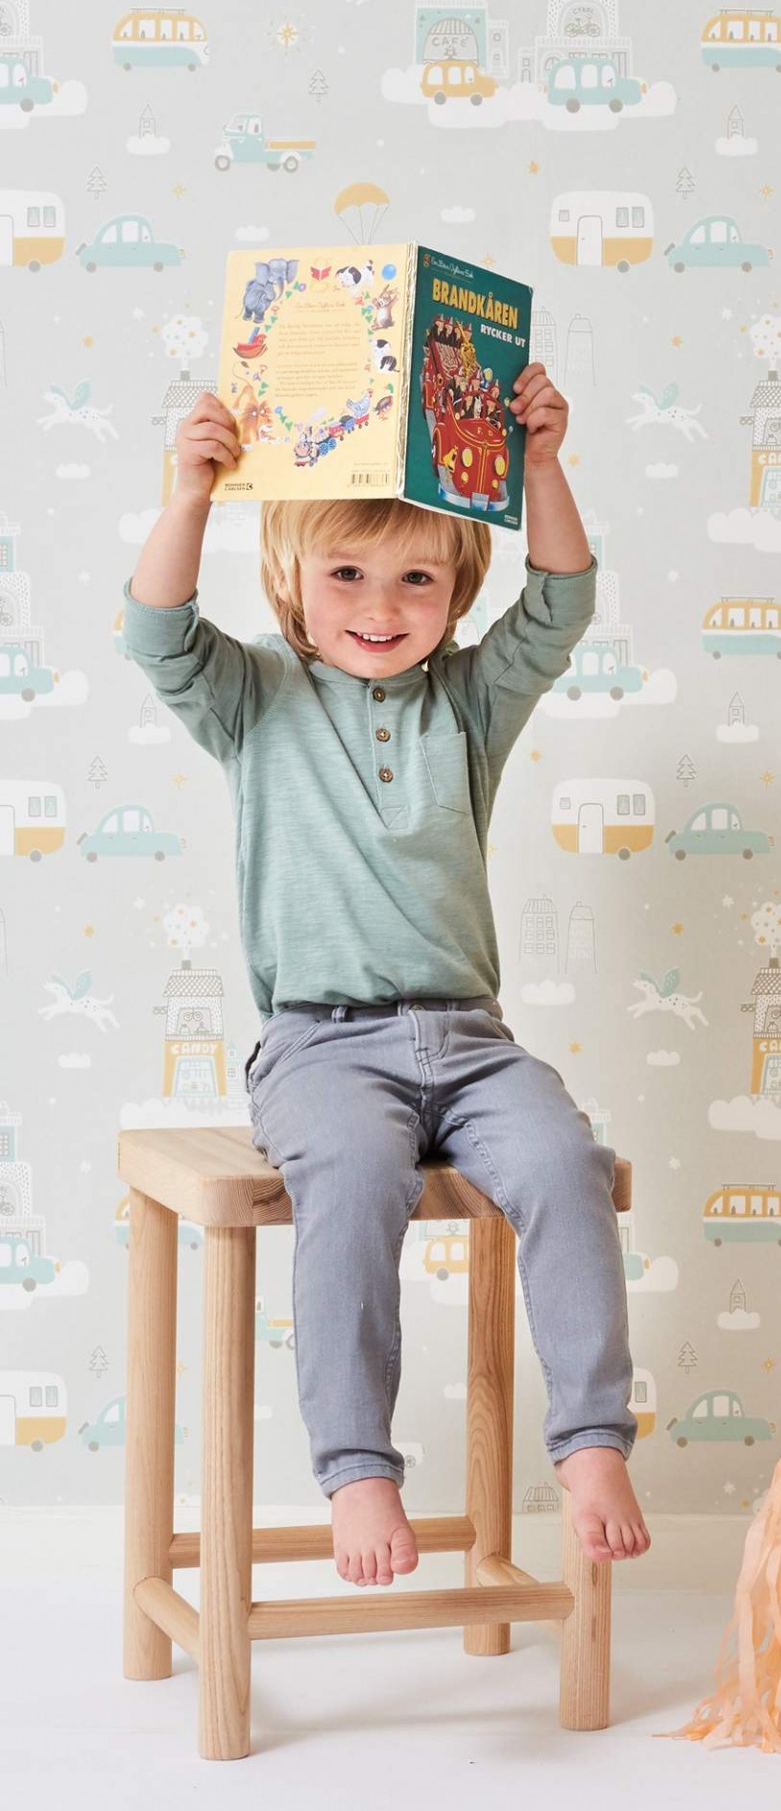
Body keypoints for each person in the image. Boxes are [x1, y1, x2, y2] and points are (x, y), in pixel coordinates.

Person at [121, 367, 650, 1590]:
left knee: (565, 1165)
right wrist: (191, 488)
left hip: (472, 1043)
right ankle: (358, 1464)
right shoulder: (255, 695)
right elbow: (154, 631)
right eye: (346, 575)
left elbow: (561, 605)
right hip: (320, 1047)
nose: (380, 603)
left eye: (418, 577)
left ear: (458, 593)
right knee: (354, 1182)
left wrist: (542, 467)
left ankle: (590, 1442)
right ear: (292, 585)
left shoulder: (467, 703)